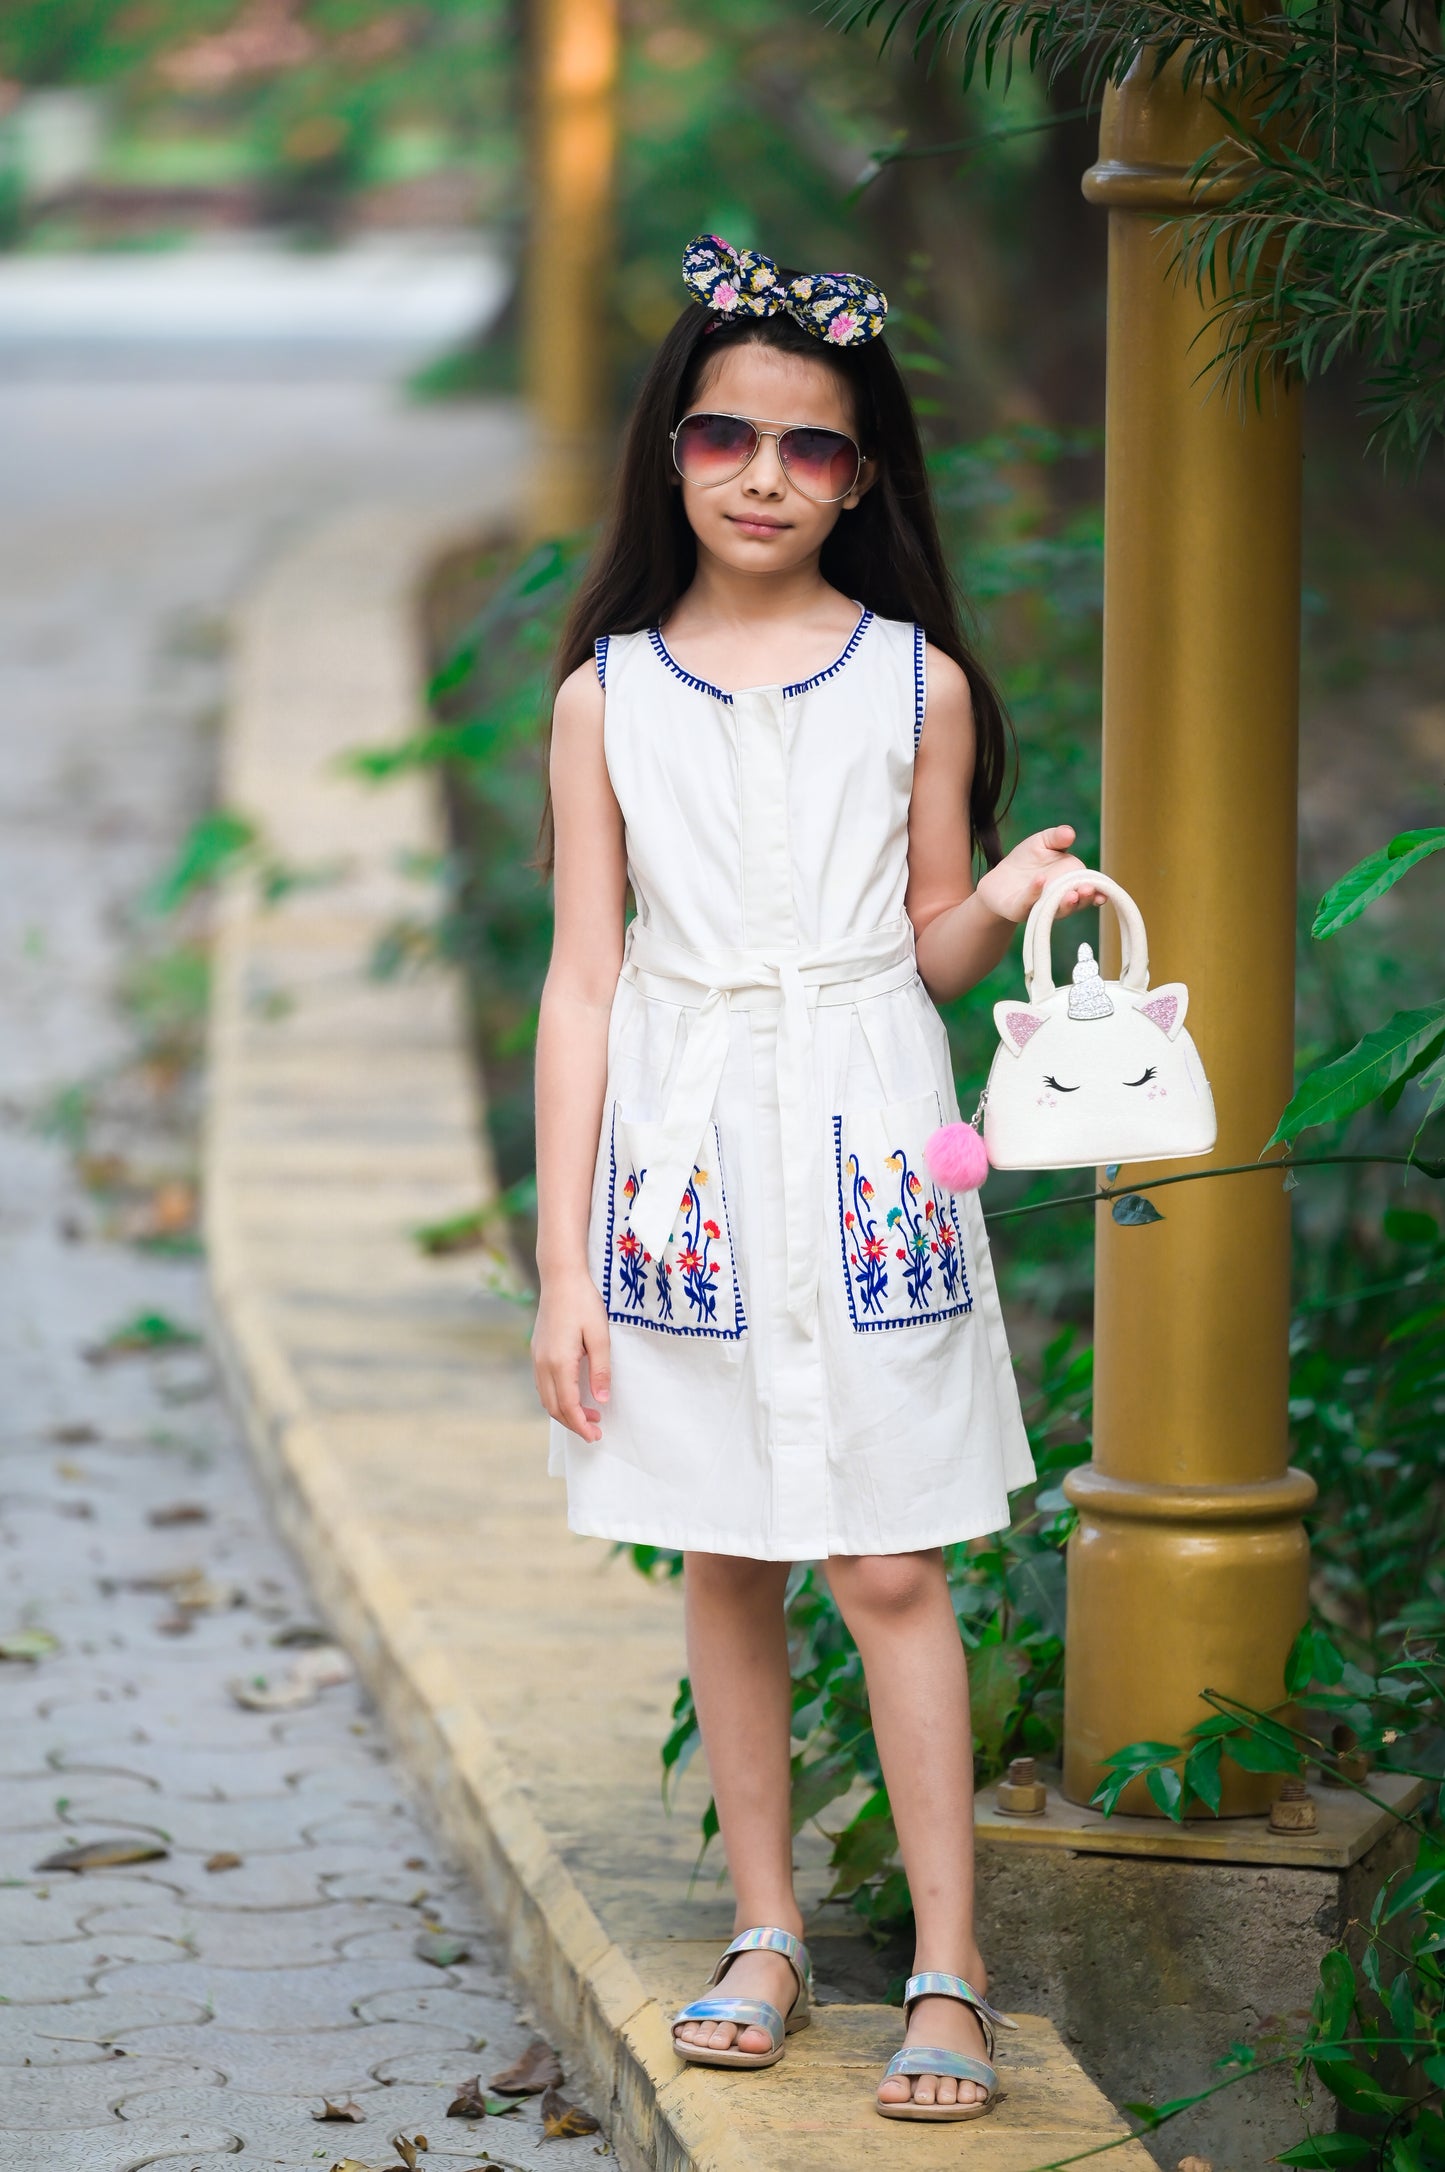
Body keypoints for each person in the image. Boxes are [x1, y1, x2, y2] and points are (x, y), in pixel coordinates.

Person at [530, 234, 1101, 2124]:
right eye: (724, 435)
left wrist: (1001, 899)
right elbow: (586, 976)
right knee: (727, 1549)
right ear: (668, 453)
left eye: (813, 448)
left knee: (884, 1556)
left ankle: (949, 1965)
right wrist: (563, 1269)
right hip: (687, 1158)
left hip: (865, 1136)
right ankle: (765, 1928)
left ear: (863, 476)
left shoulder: (913, 685)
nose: (765, 475)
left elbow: (922, 948)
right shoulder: (606, 695)